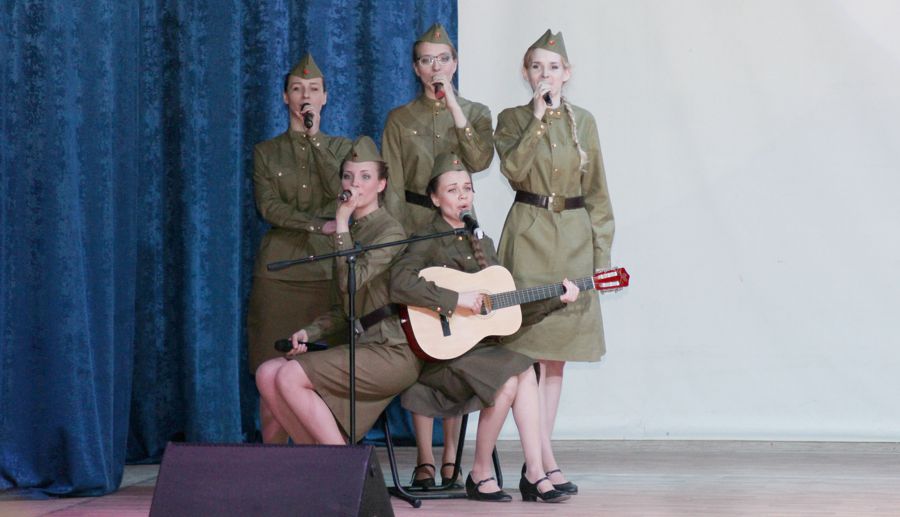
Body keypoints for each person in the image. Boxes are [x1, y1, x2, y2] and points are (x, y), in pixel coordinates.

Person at [391, 152, 575, 502]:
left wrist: (557, 299)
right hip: (441, 357)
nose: (462, 196)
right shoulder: (425, 238)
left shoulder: (482, 242)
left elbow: (506, 310)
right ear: (435, 198)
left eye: (467, 188)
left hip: (479, 352)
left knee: (521, 370)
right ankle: (483, 472)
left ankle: (533, 471)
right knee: (513, 374)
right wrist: (455, 300)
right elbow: (399, 283)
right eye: (452, 190)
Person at [494, 30, 615, 495]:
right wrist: (539, 118)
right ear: (525, 74)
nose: (545, 74)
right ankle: (539, 464)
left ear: (568, 73)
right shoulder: (512, 119)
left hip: (574, 240)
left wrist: (601, 257)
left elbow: (598, 192)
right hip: (529, 236)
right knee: (525, 357)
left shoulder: (584, 121)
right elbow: (514, 171)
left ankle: (540, 462)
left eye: (553, 67)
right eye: (536, 67)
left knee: (556, 361)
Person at [381, 22, 495, 487]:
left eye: (443, 59)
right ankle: (425, 457)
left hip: (456, 228)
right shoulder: (399, 118)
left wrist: (452, 104)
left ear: (455, 63)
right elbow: (391, 186)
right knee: (421, 341)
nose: (435, 67)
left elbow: (480, 159)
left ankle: (452, 454)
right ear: (416, 68)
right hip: (414, 228)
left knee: (459, 339)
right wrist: (395, 242)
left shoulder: (475, 112)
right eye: (427, 61)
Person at [254, 137, 421, 443]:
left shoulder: (390, 230)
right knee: (267, 373)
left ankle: (342, 464)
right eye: (348, 176)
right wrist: (309, 333)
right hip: (361, 346)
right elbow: (342, 308)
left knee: (290, 375)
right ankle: (315, 462)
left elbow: (350, 282)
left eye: (365, 177)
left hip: (391, 350)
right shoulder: (351, 231)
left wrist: (341, 221)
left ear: (381, 185)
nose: (354, 184)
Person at [246, 53, 353, 442]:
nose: (305, 96)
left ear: (325, 98)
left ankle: (320, 459)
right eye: (297, 89)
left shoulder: (342, 149)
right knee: (270, 371)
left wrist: (315, 140)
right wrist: (317, 224)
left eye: (313, 89)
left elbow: (343, 192)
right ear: (284, 97)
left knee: (318, 376)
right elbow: (268, 207)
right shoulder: (266, 151)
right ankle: (274, 464)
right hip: (280, 275)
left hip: (325, 274)